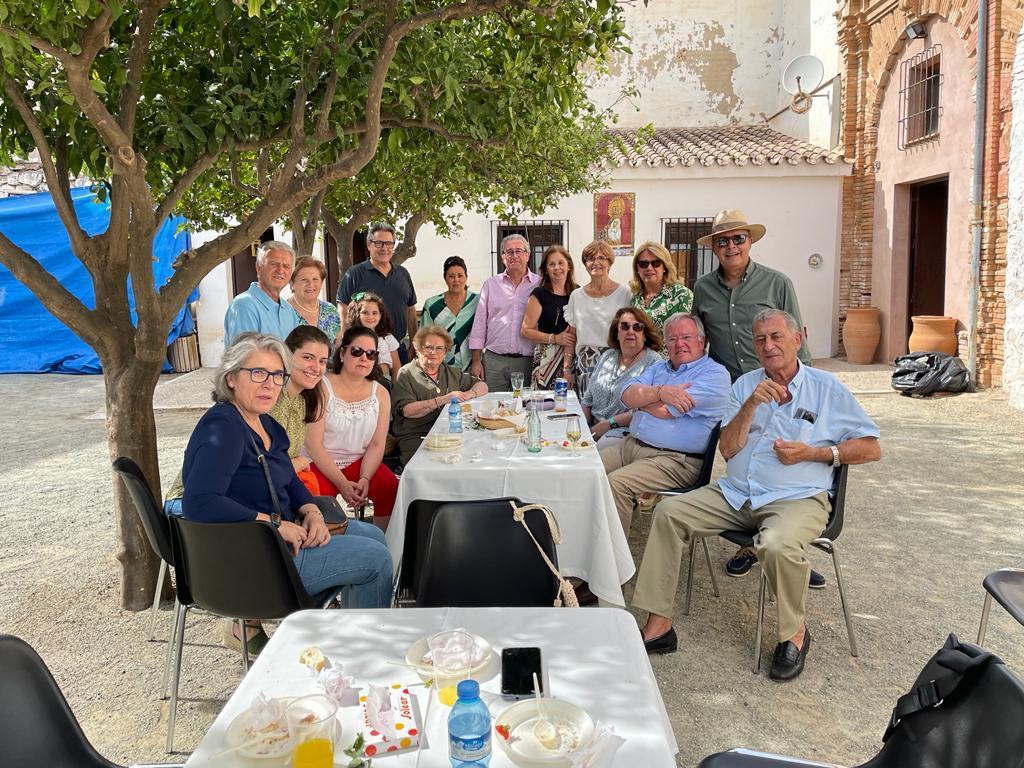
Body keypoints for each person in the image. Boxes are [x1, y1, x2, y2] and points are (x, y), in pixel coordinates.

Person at [632, 310, 880, 680]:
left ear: (799, 339)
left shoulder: (827, 389)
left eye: (777, 336)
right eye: (761, 339)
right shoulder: (744, 385)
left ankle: (794, 633)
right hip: (736, 495)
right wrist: (751, 404)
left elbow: (871, 448)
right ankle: (659, 626)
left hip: (796, 498)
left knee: (776, 545)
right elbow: (729, 450)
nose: (769, 345)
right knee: (669, 512)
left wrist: (815, 453)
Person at [180, 333, 393, 654]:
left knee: (375, 539)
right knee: (376, 559)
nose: (269, 384)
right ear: (231, 379)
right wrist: (273, 523)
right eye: (258, 373)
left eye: (276, 375)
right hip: (252, 559)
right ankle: (362, 654)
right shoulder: (223, 428)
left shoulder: (265, 424)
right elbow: (199, 502)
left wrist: (311, 511)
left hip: (276, 544)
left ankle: (346, 638)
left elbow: (289, 482)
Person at [692, 209, 815, 581]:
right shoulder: (702, 288)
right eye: (723, 241)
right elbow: (701, 341)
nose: (731, 246)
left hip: (777, 385)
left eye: (738, 238)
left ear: (750, 241)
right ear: (714, 247)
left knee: (784, 460)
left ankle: (787, 550)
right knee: (740, 462)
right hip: (732, 390)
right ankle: (752, 541)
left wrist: (802, 386)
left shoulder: (777, 283)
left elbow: (796, 339)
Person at [599, 313, 731, 538]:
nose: (679, 344)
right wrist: (661, 392)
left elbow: (665, 411)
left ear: (701, 341)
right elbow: (626, 395)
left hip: (675, 460)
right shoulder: (660, 368)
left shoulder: (715, 375)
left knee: (616, 483)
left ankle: (613, 564)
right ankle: (585, 544)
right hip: (630, 446)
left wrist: (643, 402)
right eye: (672, 339)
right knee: (585, 469)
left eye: (686, 337)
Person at [305, 326, 399, 531]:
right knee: (315, 501)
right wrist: (342, 483)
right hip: (320, 463)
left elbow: (377, 444)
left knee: (390, 487)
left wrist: (365, 478)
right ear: (342, 353)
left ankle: (383, 544)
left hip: (360, 462)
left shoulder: (381, 393)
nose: (364, 358)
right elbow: (313, 445)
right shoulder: (321, 387)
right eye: (357, 351)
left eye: (371, 354)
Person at [391, 326, 488, 465]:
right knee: (435, 464)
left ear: (445, 352)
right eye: (428, 347)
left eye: (439, 348)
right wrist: (443, 399)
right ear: (418, 350)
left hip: (447, 433)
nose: (433, 352)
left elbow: (482, 386)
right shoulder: (406, 373)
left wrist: (469, 394)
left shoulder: (449, 371)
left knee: (471, 457)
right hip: (417, 435)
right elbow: (407, 411)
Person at [468, 234, 540, 392]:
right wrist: (476, 361)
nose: (514, 256)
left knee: (523, 408)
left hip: (527, 361)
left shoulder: (539, 285)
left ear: (527, 255)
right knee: (493, 408)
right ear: (502, 257)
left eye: (519, 251)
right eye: (509, 252)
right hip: (494, 361)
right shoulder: (490, 285)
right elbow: (480, 323)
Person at [336, 223, 417, 362]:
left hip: (399, 348)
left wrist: (413, 347)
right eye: (379, 243)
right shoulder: (354, 274)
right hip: (365, 351)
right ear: (369, 245)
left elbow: (410, 310)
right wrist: (346, 344)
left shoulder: (403, 274)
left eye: (389, 243)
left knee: (399, 384)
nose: (384, 248)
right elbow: (343, 310)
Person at [582, 307, 662, 447]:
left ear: (644, 335)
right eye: (624, 326)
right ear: (617, 333)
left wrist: (607, 425)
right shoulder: (608, 356)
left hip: (624, 432)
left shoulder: (654, 362)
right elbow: (587, 399)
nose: (630, 331)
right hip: (593, 428)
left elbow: (645, 411)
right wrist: (582, 427)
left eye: (637, 327)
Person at [564, 240, 631, 397]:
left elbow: (629, 333)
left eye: (601, 258)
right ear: (585, 264)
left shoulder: (624, 293)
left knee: (608, 414)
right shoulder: (576, 296)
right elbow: (571, 336)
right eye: (590, 258)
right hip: (584, 364)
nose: (596, 262)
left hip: (615, 361)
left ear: (610, 262)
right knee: (585, 414)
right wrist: (567, 369)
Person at [520, 245, 578, 389]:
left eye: (560, 263)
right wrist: (554, 338)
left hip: (573, 357)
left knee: (570, 405)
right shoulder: (539, 294)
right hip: (546, 358)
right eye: (551, 264)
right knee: (543, 404)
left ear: (568, 266)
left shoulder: (578, 293)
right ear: (546, 270)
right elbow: (526, 330)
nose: (557, 268)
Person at [223, 241, 301, 345]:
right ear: (258, 268)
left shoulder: (288, 310)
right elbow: (245, 357)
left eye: (286, 266)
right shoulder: (244, 305)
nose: (280, 270)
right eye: (273, 264)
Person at [419, 256, 479, 372]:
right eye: (451, 276)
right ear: (445, 278)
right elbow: (424, 338)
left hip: (472, 366)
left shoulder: (477, 301)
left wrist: (477, 362)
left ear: (466, 277)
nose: (456, 280)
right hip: (441, 367)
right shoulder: (432, 305)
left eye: (460, 275)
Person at [629, 242, 693, 333]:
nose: (649, 268)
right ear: (637, 269)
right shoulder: (635, 298)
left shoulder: (681, 295)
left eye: (656, 263)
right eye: (644, 264)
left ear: (665, 267)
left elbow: (688, 333)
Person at [287, 256, 342, 352]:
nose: (310, 284)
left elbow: (338, 346)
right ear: (291, 283)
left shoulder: (330, 310)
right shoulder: (283, 311)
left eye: (315, 279)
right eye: (304, 279)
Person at [345, 292, 401, 380]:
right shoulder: (351, 338)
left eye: (374, 313)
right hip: (360, 382)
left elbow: (396, 368)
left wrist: (397, 390)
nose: (370, 317)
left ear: (380, 315)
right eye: (365, 313)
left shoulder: (387, 338)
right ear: (357, 314)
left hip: (384, 381)